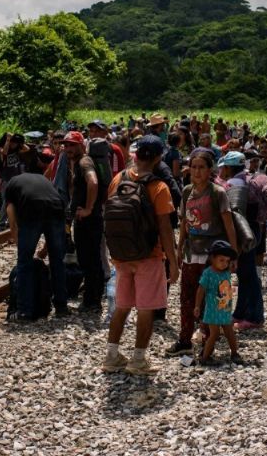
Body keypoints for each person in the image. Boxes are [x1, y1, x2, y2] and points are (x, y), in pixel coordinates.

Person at [102, 136, 178, 376]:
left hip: (121, 255)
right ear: (157, 158)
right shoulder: (159, 187)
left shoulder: (117, 180)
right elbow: (165, 229)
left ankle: (111, 356)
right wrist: (173, 262)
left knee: (122, 306)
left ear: (135, 155)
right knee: (146, 309)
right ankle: (138, 359)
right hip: (149, 256)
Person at [166, 150, 237, 357]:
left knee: (212, 299)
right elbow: (184, 223)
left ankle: (209, 339)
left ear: (210, 170)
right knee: (187, 298)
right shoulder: (187, 192)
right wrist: (179, 249)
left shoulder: (217, 193)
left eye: (201, 167)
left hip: (212, 256)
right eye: (194, 167)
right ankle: (185, 339)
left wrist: (233, 255)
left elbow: (228, 225)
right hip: (191, 253)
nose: (197, 172)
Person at [4, 171, 70, 321]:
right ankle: (61, 307)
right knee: (57, 261)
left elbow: (12, 218)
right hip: (56, 206)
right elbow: (55, 228)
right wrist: (47, 249)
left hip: (32, 208)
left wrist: (19, 244)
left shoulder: (11, 185)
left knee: (24, 263)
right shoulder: (43, 180)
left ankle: (24, 311)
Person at [217, 151, 264, 330]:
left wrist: (235, 241)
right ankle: (241, 313)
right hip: (254, 229)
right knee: (246, 274)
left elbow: (237, 214)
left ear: (228, 167)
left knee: (248, 275)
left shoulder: (234, 183)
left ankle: (254, 317)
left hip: (244, 232)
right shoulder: (248, 178)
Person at [59, 131, 104, 310]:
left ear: (81, 145)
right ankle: (91, 300)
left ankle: (93, 301)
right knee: (88, 260)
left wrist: (88, 209)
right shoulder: (76, 163)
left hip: (89, 221)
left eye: (72, 144)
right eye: (66, 145)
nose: (68, 148)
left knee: (90, 260)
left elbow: (93, 182)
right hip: (86, 220)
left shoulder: (84, 161)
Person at [194, 240, 243, 365]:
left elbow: (235, 261)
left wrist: (233, 260)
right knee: (214, 334)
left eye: (227, 261)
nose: (224, 264)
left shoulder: (227, 272)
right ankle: (205, 357)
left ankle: (234, 353)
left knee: (229, 332)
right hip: (212, 310)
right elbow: (201, 290)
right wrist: (197, 306)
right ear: (212, 259)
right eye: (221, 260)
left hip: (225, 309)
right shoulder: (208, 273)